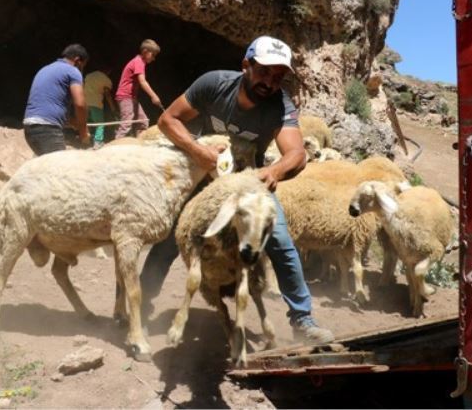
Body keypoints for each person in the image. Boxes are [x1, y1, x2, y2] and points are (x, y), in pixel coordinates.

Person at [140, 35, 334, 344]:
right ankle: (139, 307)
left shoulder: (280, 105)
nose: (269, 82)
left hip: (250, 182)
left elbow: (297, 154)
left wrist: (274, 171)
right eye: (264, 72)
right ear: (246, 65)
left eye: (278, 76)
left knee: (281, 242)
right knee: (171, 238)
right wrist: (197, 151)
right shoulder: (214, 84)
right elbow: (168, 119)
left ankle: (303, 320)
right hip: (204, 178)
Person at [23, 44, 90, 155]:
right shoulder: (73, 71)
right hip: (47, 128)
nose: (82, 69)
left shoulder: (45, 69)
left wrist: (72, 121)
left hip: (30, 127)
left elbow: (50, 102)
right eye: (83, 66)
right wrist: (83, 132)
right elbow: (80, 104)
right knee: (61, 169)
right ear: (77, 60)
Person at [114, 39, 163, 139]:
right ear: (145, 52)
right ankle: (115, 145)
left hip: (131, 97)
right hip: (125, 97)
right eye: (153, 55)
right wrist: (154, 96)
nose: (154, 58)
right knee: (126, 123)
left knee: (143, 121)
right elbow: (143, 81)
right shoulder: (138, 62)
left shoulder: (139, 61)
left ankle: (139, 142)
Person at [84, 68, 117, 149]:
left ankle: (86, 141)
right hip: (95, 103)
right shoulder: (106, 79)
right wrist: (113, 107)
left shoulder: (88, 76)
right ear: (108, 71)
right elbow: (107, 94)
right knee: (100, 124)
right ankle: (98, 142)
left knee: (87, 123)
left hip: (84, 103)